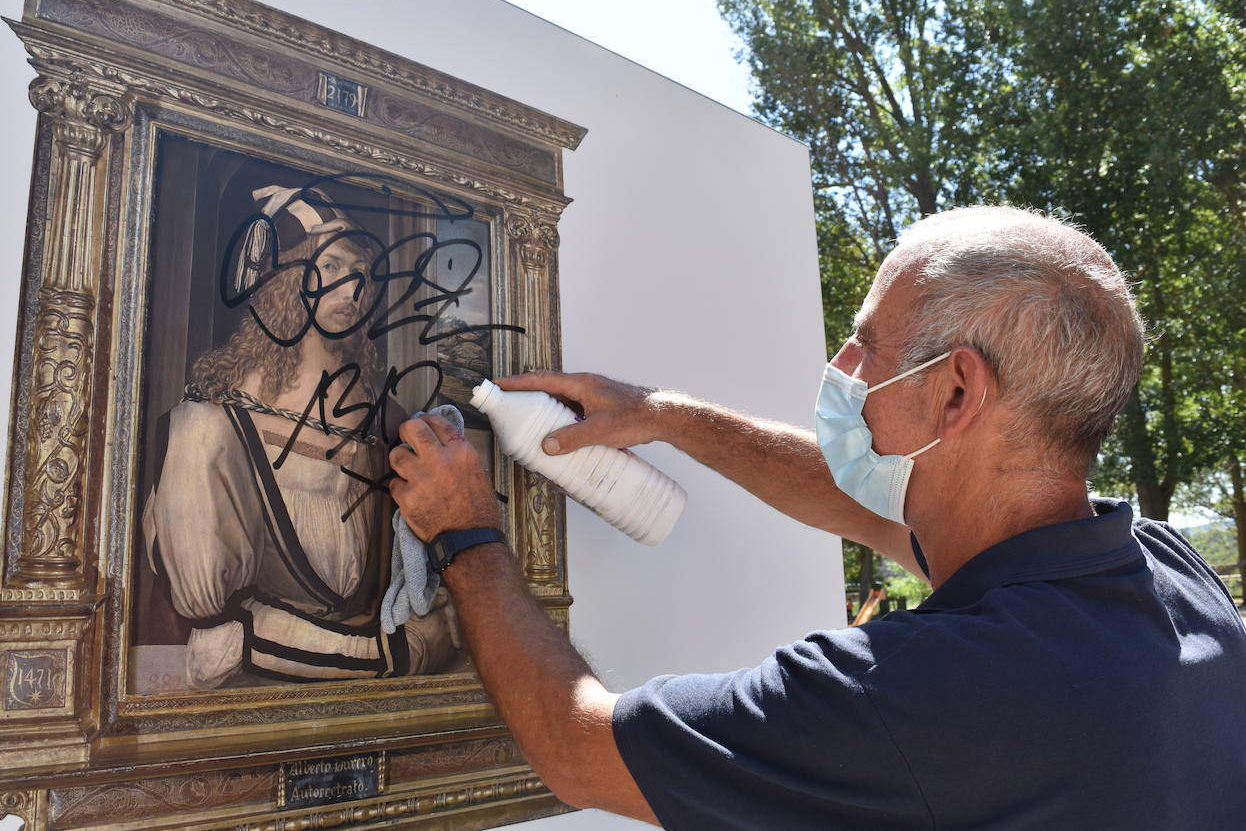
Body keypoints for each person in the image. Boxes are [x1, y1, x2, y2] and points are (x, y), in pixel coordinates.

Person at [386, 205, 1246, 827]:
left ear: (956, 391)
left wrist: (469, 533)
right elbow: (868, 502)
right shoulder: (1165, 576)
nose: (842, 365)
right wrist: (669, 415)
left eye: (867, 344)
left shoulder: (915, 695)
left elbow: (578, 748)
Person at [142, 184, 459, 690]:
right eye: (330, 267)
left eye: (360, 274)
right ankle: (378, 655)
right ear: (285, 278)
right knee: (198, 429)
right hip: (252, 622)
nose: (351, 289)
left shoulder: (382, 411)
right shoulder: (222, 411)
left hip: (348, 630)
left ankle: (343, 650)